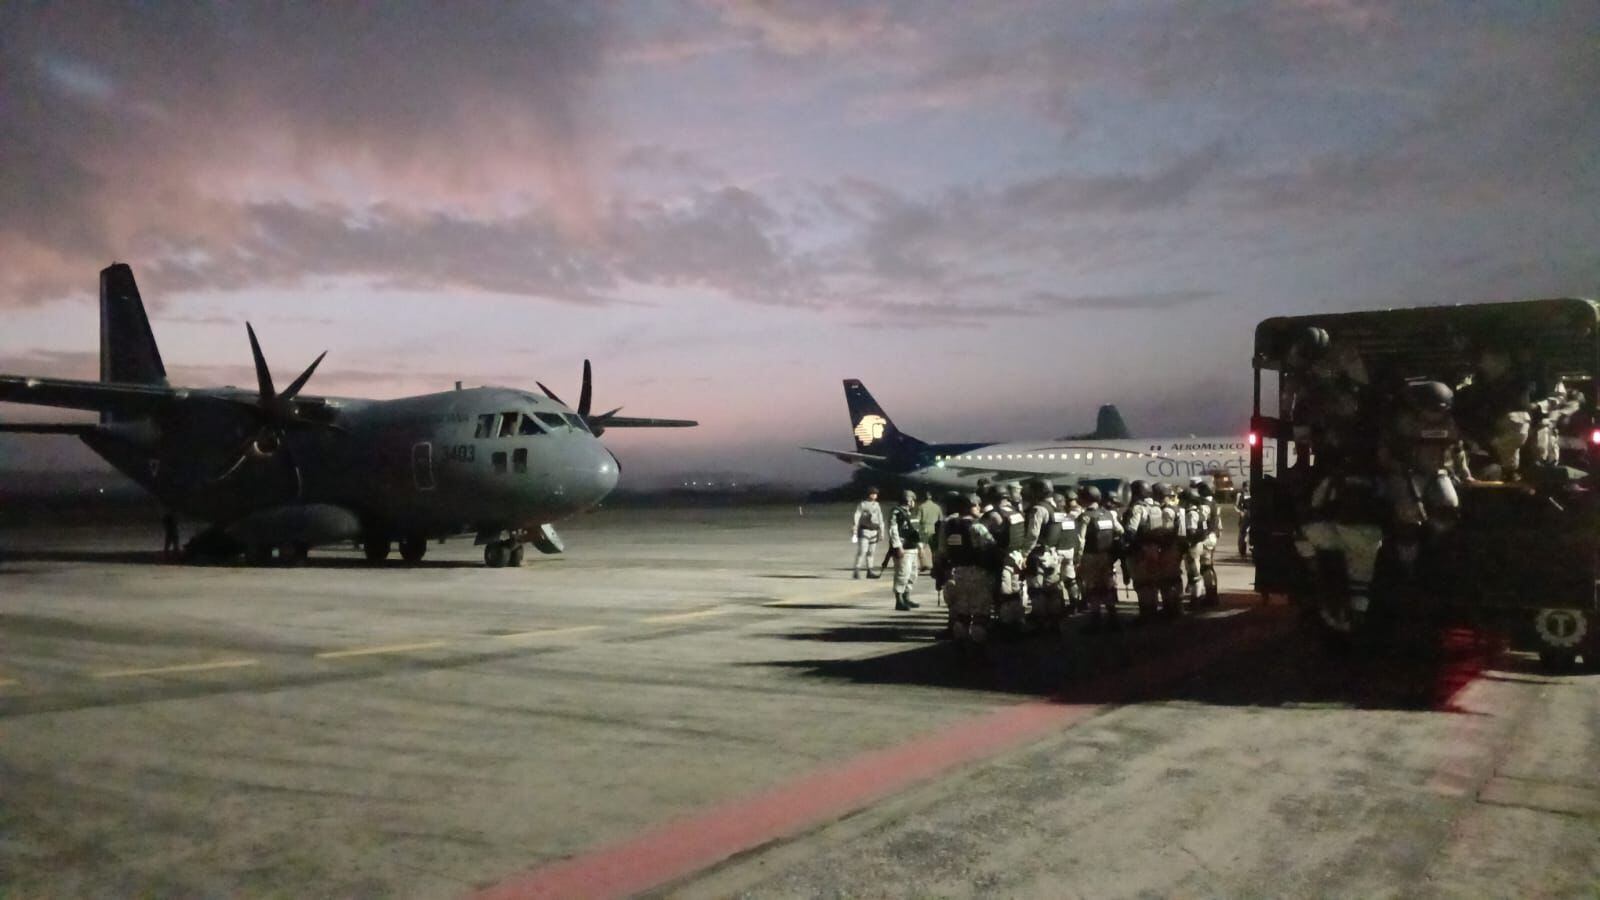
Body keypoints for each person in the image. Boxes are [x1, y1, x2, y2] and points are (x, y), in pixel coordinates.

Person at [934, 492, 996, 643]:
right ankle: (978, 648)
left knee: (962, 613)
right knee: (980, 613)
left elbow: (942, 551)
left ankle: (960, 645)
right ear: (969, 507)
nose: (979, 507)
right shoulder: (977, 526)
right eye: (976, 505)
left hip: (957, 573)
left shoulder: (948, 526)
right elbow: (990, 546)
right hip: (977, 573)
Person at [1075, 484, 1124, 632]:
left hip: (1090, 556)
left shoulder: (1085, 517)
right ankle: (1113, 618)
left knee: (1093, 588)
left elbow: (1080, 540)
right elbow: (1120, 530)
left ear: (1085, 499)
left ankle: (1095, 621)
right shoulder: (1108, 514)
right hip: (1107, 556)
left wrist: (1077, 559)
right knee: (1107, 587)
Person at [1021, 479, 1066, 630]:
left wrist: (1024, 554)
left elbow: (1033, 535)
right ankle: (1054, 623)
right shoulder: (1057, 508)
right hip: (1053, 554)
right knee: (1052, 590)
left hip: (1038, 555)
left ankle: (1040, 623)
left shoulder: (1038, 509)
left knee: (1036, 591)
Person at [1122, 480, 1162, 621]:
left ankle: (1145, 613)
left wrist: (1127, 546)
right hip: (1155, 549)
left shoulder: (1138, 508)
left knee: (1142, 583)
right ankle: (1153, 610)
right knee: (1152, 582)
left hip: (1140, 550)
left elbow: (1131, 531)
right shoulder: (1156, 507)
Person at [888, 489, 922, 610]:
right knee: (902, 574)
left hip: (912, 548)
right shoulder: (897, 512)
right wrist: (898, 546)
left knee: (912, 574)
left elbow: (916, 530)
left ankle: (906, 597)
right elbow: (893, 530)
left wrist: (919, 546)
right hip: (904, 549)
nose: (914, 503)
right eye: (913, 500)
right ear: (908, 500)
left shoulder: (911, 513)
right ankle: (899, 600)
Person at [1195, 482, 1221, 607]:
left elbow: (1203, 522)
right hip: (1212, 535)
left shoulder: (1204, 505)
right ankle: (1212, 594)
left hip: (1206, 537)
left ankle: (1210, 596)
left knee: (1205, 567)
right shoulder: (1214, 503)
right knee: (1209, 566)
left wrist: (1203, 533)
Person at [850, 487, 885, 578]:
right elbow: (857, 514)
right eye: (872, 494)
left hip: (874, 530)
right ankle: (857, 570)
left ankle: (870, 571)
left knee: (871, 552)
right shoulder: (863, 504)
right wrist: (855, 526)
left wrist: (882, 531)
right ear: (869, 494)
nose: (874, 495)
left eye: (875, 494)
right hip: (864, 530)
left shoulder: (877, 505)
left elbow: (880, 518)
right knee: (862, 551)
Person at [916, 490, 942, 573]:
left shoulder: (921, 507)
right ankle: (935, 565)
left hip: (924, 529)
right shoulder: (937, 507)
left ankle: (923, 564)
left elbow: (917, 519)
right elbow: (940, 520)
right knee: (934, 549)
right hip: (934, 529)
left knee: (921, 547)